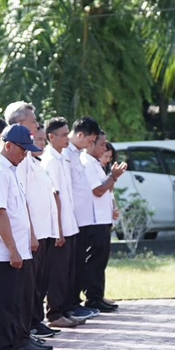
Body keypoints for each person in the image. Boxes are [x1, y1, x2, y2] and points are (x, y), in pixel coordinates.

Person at [0, 124, 44, 350]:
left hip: (17, 249)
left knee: (17, 302)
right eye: (22, 150)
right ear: (8, 146)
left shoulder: (11, 169)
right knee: (4, 305)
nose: (25, 154)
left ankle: (15, 347)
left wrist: (30, 238)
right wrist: (13, 249)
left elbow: (19, 209)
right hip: (3, 252)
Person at [18, 126, 61, 338]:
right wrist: (33, 233)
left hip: (45, 231)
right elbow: (24, 200)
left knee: (41, 280)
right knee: (31, 283)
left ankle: (37, 320)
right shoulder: (21, 165)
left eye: (44, 140)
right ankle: (32, 323)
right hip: (32, 232)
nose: (42, 144)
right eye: (39, 139)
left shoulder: (38, 164)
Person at [40, 117, 82, 328]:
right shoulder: (49, 160)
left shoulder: (62, 157)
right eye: (64, 135)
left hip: (70, 222)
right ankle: (55, 313)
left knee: (67, 271)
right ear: (51, 137)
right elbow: (54, 196)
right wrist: (59, 230)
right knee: (57, 272)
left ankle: (65, 309)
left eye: (68, 133)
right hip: (60, 227)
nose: (67, 138)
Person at [80, 132, 125, 311]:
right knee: (94, 261)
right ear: (91, 143)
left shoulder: (96, 164)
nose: (104, 148)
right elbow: (97, 191)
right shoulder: (87, 163)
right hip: (94, 220)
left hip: (103, 219)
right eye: (101, 144)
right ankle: (92, 298)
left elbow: (107, 191)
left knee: (101, 260)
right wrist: (113, 176)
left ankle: (98, 295)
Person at [65, 117, 102, 318]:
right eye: (90, 141)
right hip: (74, 220)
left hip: (83, 219)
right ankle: (70, 302)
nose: (90, 145)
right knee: (73, 265)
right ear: (80, 135)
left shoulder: (76, 154)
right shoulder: (65, 154)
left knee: (79, 263)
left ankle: (75, 301)